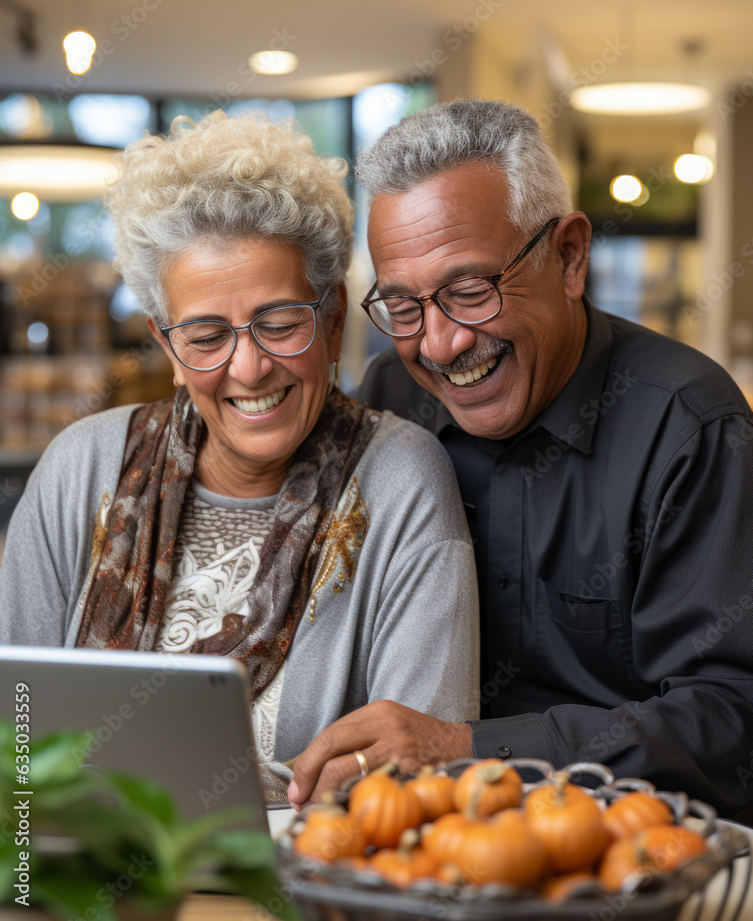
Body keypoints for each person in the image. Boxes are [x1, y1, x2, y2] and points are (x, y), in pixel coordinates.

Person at [288, 98, 753, 818]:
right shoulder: (389, 397)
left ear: (568, 256)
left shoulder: (686, 424)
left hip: (631, 846)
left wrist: (463, 747)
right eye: (403, 307)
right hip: (420, 836)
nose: (439, 346)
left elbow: (729, 719)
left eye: (469, 291)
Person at [0, 109, 480, 792]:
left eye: (279, 323)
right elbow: (15, 744)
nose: (249, 368)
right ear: (166, 346)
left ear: (333, 317)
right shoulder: (81, 467)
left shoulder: (402, 481)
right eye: (204, 336)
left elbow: (419, 788)